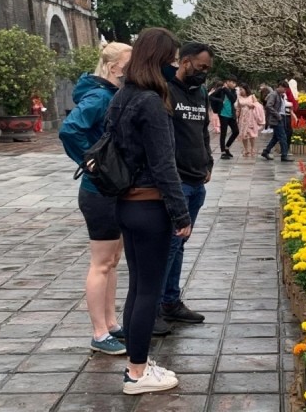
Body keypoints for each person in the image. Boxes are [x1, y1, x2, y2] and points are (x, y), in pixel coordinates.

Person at [108, 27, 191, 395]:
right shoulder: (152, 102)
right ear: (159, 60)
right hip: (150, 205)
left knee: (137, 288)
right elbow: (163, 166)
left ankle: (135, 364)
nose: (175, 65)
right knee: (148, 292)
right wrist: (181, 214)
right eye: (172, 59)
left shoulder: (122, 96)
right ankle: (137, 373)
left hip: (126, 204)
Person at [59, 42, 132, 356]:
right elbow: (69, 129)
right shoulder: (100, 95)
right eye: (129, 63)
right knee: (101, 264)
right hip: (98, 190)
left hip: (111, 187)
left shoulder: (111, 94)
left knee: (112, 263)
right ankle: (99, 332)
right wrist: (89, 161)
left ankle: (111, 323)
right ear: (114, 66)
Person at [159, 42, 214, 334]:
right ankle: (155, 306)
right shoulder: (167, 90)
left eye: (207, 70)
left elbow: (202, 130)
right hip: (177, 180)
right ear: (186, 61)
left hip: (196, 179)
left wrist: (208, 162)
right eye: (201, 67)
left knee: (179, 244)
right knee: (168, 245)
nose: (203, 74)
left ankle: (171, 301)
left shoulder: (200, 93)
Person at [261, 80, 295, 162]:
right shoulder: (274, 94)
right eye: (284, 89)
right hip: (276, 118)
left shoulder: (280, 95)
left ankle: (266, 151)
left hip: (281, 117)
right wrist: (278, 115)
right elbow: (269, 106)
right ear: (280, 86)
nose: (285, 91)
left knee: (276, 137)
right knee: (283, 136)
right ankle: (284, 155)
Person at [212, 76, 239, 159]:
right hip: (223, 114)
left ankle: (227, 147)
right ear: (228, 82)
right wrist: (220, 101)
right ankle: (223, 152)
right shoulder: (220, 90)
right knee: (223, 133)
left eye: (235, 83)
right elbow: (211, 97)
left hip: (231, 114)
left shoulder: (233, 91)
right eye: (233, 82)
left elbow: (233, 99)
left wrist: (226, 90)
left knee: (236, 131)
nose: (234, 85)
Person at [236, 83, 263, 157]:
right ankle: (246, 149)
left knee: (251, 134)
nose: (240, 91)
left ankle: (253, 148)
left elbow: (258, 106)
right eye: (240, 89)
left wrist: (253, 105)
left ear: (246, 89)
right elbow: (238, 108)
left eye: (242, 89)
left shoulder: (252, 96)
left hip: (251, 117)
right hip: (243, 118)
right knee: (243, 134)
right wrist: (236, 116)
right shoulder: (239, 98)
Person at [206, 80, 223, 145]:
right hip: (216, 106)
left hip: (215, 106)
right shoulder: (215, 90)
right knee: (216, 117)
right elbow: (209, 96)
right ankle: (217, 128)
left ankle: (217, 128)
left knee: (215, 117)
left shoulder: (216, 90)